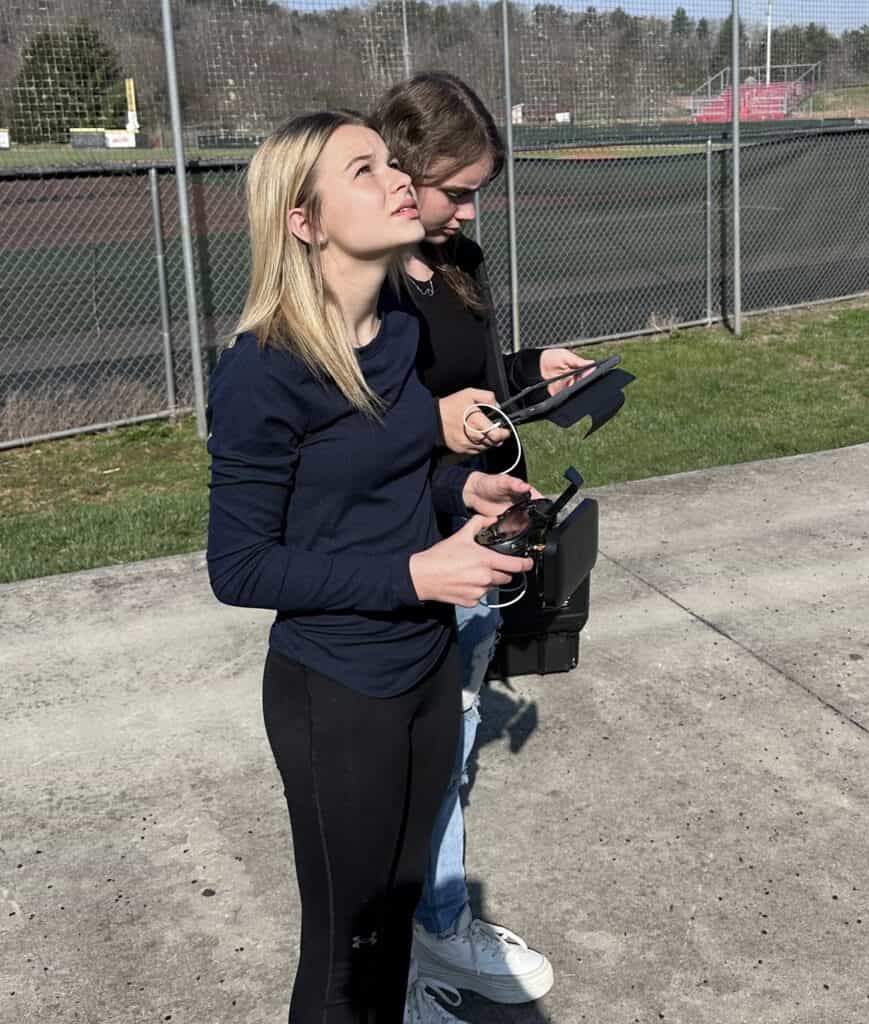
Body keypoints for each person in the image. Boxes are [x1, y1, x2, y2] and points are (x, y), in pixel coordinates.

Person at [205, 110, 537, 1024]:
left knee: (391, 933)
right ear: (303, 222)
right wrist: (416, 578)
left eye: (391, 161)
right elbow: (239, 568)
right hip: (337, 695)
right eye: (364, 169)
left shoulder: (395, 331)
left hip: (423, 672)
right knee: (343, 957)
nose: (397, 177)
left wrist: (462, 494)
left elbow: (392, 480)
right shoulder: (260, 372)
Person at [373, 73, 595, 1022]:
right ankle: (420, 937)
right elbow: (362, 423)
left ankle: (438, 923)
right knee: (417, 754)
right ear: (402, 168)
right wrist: (438, 426)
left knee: (455, 736)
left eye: (477, 194)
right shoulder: (365, 275)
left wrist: (529, 370)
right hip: (412, 544)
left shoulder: (459, 262)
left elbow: (473, 382)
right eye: (454, 190)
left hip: (480, 527)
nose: (468, 211)